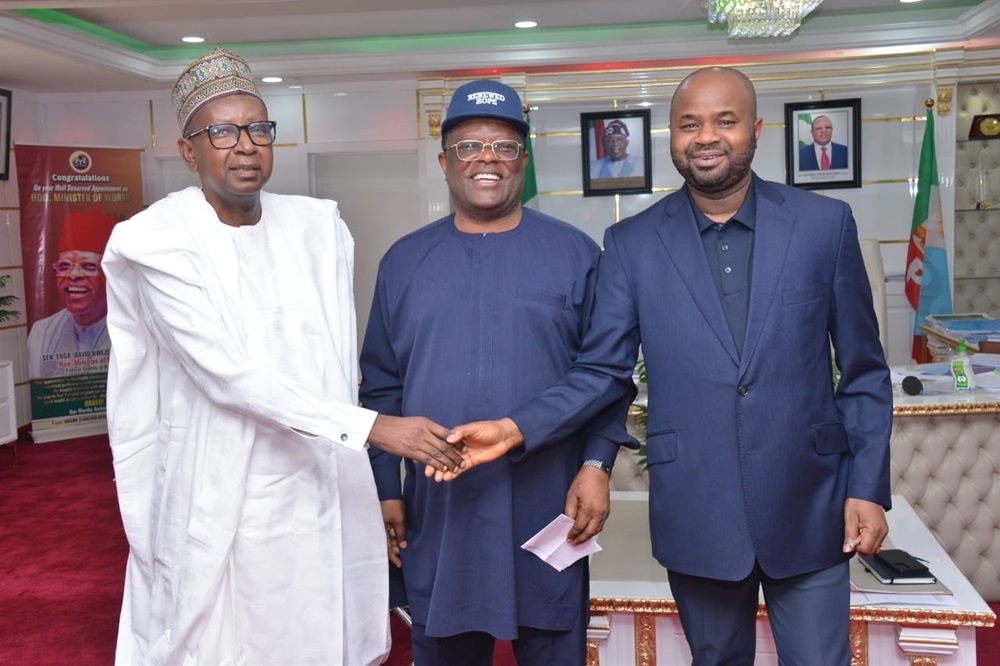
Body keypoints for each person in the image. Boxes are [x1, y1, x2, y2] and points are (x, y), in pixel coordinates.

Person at [445, 67, 892, 665]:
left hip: (811, 504)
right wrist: (516, 427)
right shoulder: (630, 243)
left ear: (756, 130)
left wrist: (868, 487)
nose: (706, 137)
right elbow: (602, 370)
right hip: (697, 512)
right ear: (672, 138)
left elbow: (864, 372)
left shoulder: (823, 225)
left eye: (725, 121)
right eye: (689, 124)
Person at [102, 48, 465, 666]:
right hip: (217, 476)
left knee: (324, 622)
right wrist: (375, 428)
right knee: (226, 634)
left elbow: (334, 354)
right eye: (222, 131)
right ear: (189, 151)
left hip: (320, 470)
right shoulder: (152, 240)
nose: (245, 146)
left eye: (258, 129)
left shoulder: (318, 225)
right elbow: (227, 375)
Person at [360, 79, 635, 666]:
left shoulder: (577, 254)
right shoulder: (405, 261)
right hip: (442, 510)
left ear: (523, 161)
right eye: (468, 145)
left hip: (550, 502)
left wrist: (596, 464)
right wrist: (385, 490)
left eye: (504, 146)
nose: (486, 157)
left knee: (554, 646)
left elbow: (608, 375)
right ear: (444, 162)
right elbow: (380, 386)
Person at [27, 208, 117, 377]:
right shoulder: (42, 333)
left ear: (108, 274)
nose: (73, 275)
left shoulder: (131, 324)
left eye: (88, 266)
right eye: (64, 266)